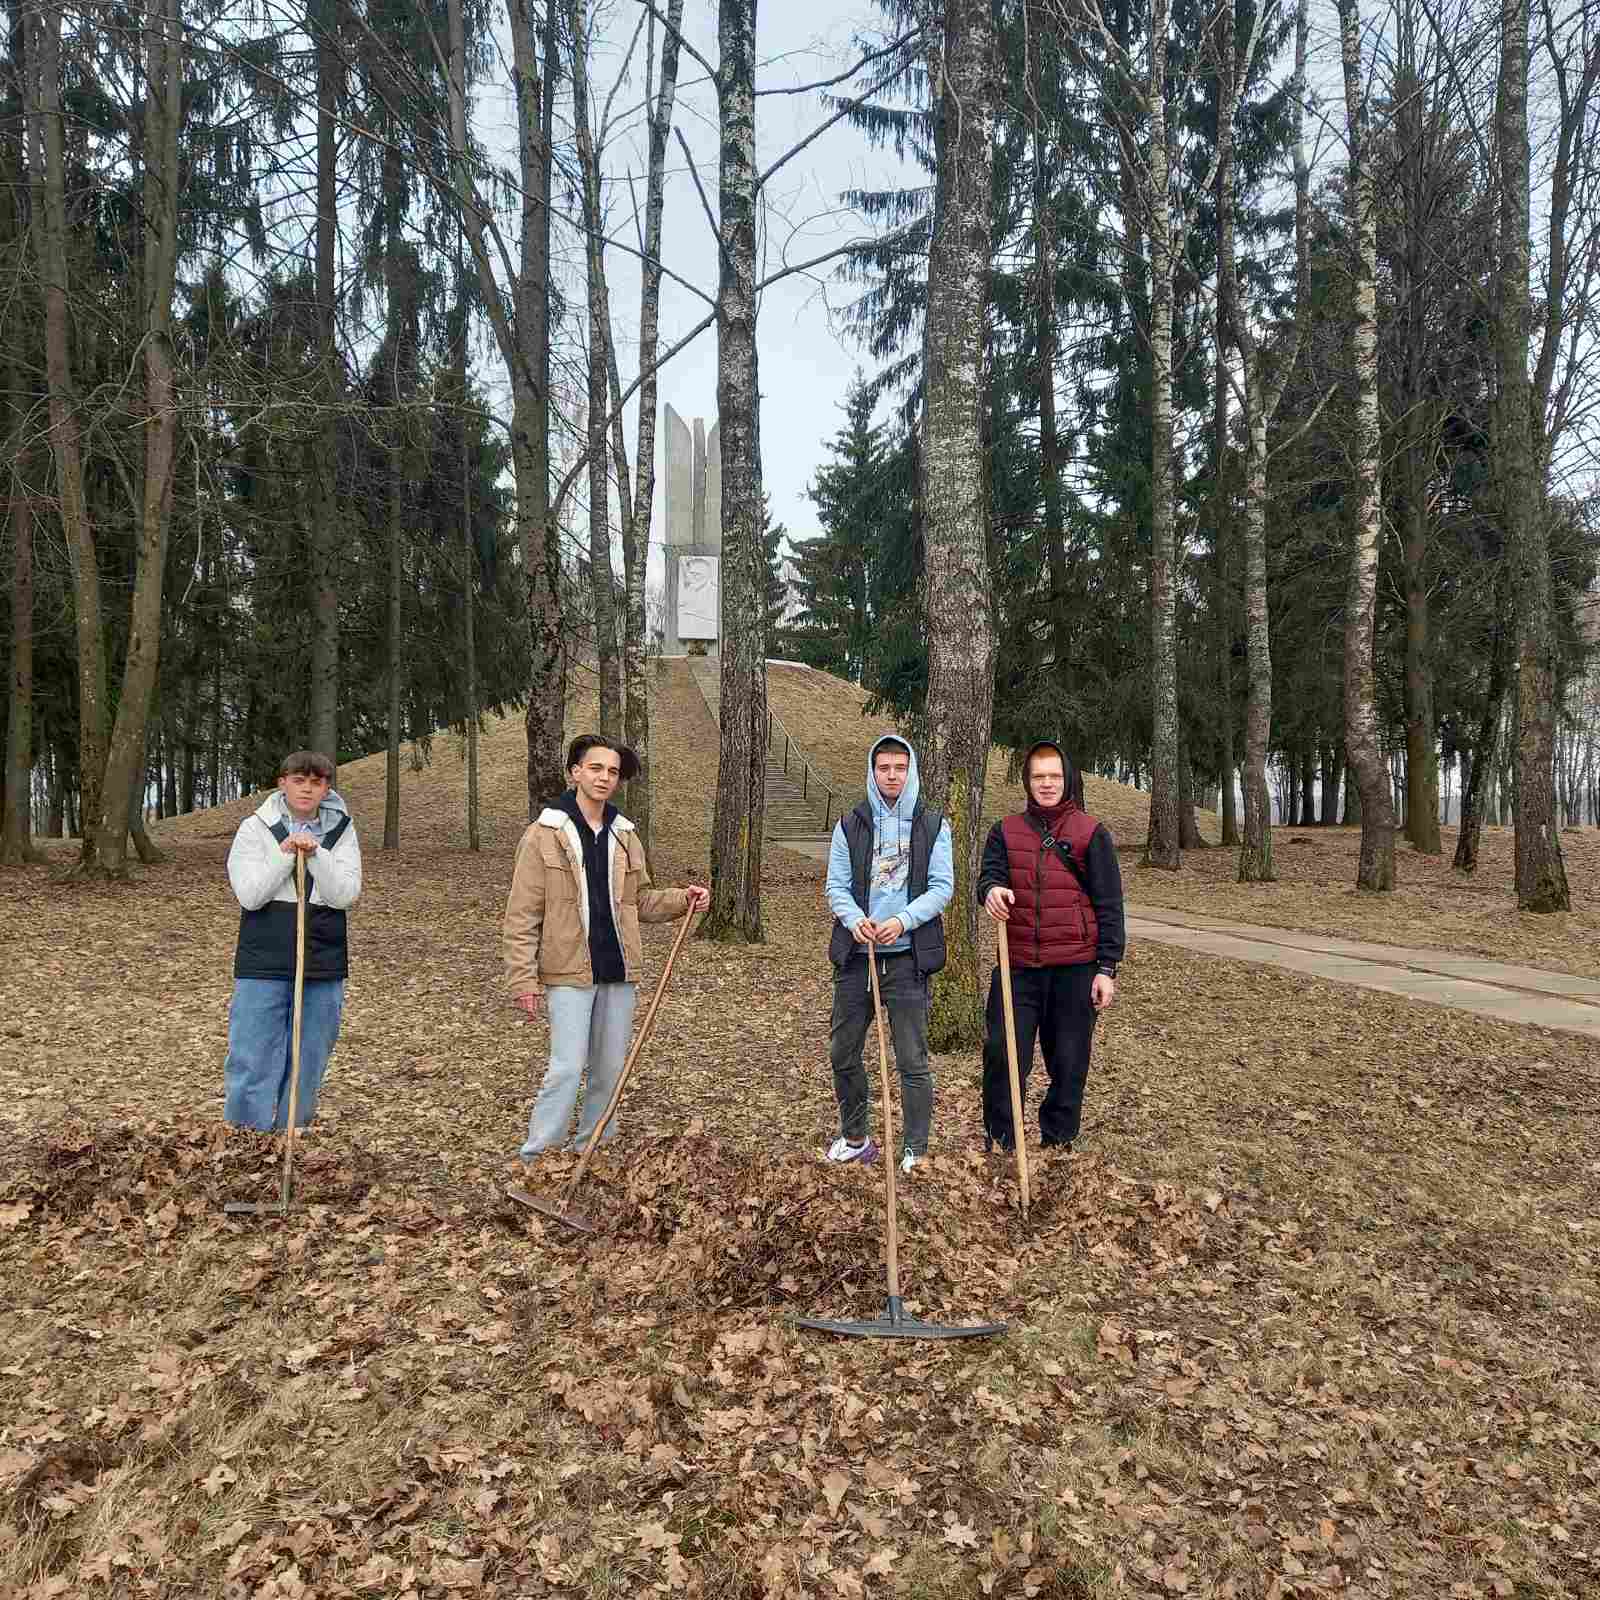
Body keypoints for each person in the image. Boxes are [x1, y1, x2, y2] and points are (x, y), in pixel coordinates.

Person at [504, 735, 709, 1160]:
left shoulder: (624, 835)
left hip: (618, 970)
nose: (604, 778)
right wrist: (523, 979)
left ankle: (592, 1150)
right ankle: (537, 1159)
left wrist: (681, 899)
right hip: (568, 971)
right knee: (566, 1067)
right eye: (595, 768)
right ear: (575, 772)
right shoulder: (544, 834)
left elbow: (640, 901)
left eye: (612, 772)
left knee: (610, 1069)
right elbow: (522, 913)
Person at [977, 741, 1125, 1153]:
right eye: (1038, 776)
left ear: (1068, 780)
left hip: (1075, 969)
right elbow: (988, 877)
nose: (1046, 784)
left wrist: (1106, 968)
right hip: (1018, 967)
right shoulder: (1004, 831)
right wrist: (991, 891)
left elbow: (1110, 904)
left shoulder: (1092, 833)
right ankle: (1003, 1142)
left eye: (1054, 776)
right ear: (1027, 781)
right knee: (1003, 1058)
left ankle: (1059, 1143)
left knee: (1069, 1064)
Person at [823, 735, 954, 1174]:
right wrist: (854, 920)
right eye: (884, 768)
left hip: (907, 958)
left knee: (912, 1059)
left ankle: (915, 1147)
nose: (892, 775)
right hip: (857, 958)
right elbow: (836, 886)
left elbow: (942, 888)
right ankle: (855, 1138)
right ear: (873, 771)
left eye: (900, 767)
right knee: (843, 1051)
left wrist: (903, 921)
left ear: (910, 770)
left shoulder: (933, 825)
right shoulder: (851, 824)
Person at [224, 750, 363, 1130]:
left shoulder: (342, 831)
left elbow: (345, 895)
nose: (307, 789)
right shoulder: (254, 828)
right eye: (299, 781)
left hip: (323, 955)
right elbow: (250, 895)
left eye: (316, 782)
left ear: (326, 788)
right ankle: (245, 1140)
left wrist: (317, 855)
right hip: (263, 956)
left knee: (309, 1056)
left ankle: (291, 1135)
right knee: (252, 1054)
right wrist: (285, 854)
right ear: (282, 783)